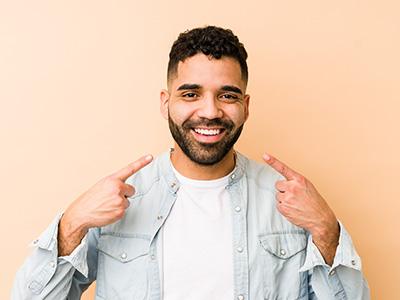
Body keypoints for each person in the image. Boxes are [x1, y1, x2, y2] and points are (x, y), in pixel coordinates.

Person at [12, 25, 370, 300]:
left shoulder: (291, 203)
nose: (210, 112)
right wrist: (71, 224)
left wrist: (326, 230)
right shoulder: (117, 200)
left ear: (246, 106)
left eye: (226, 95)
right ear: (166, 102)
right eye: (191, 94)